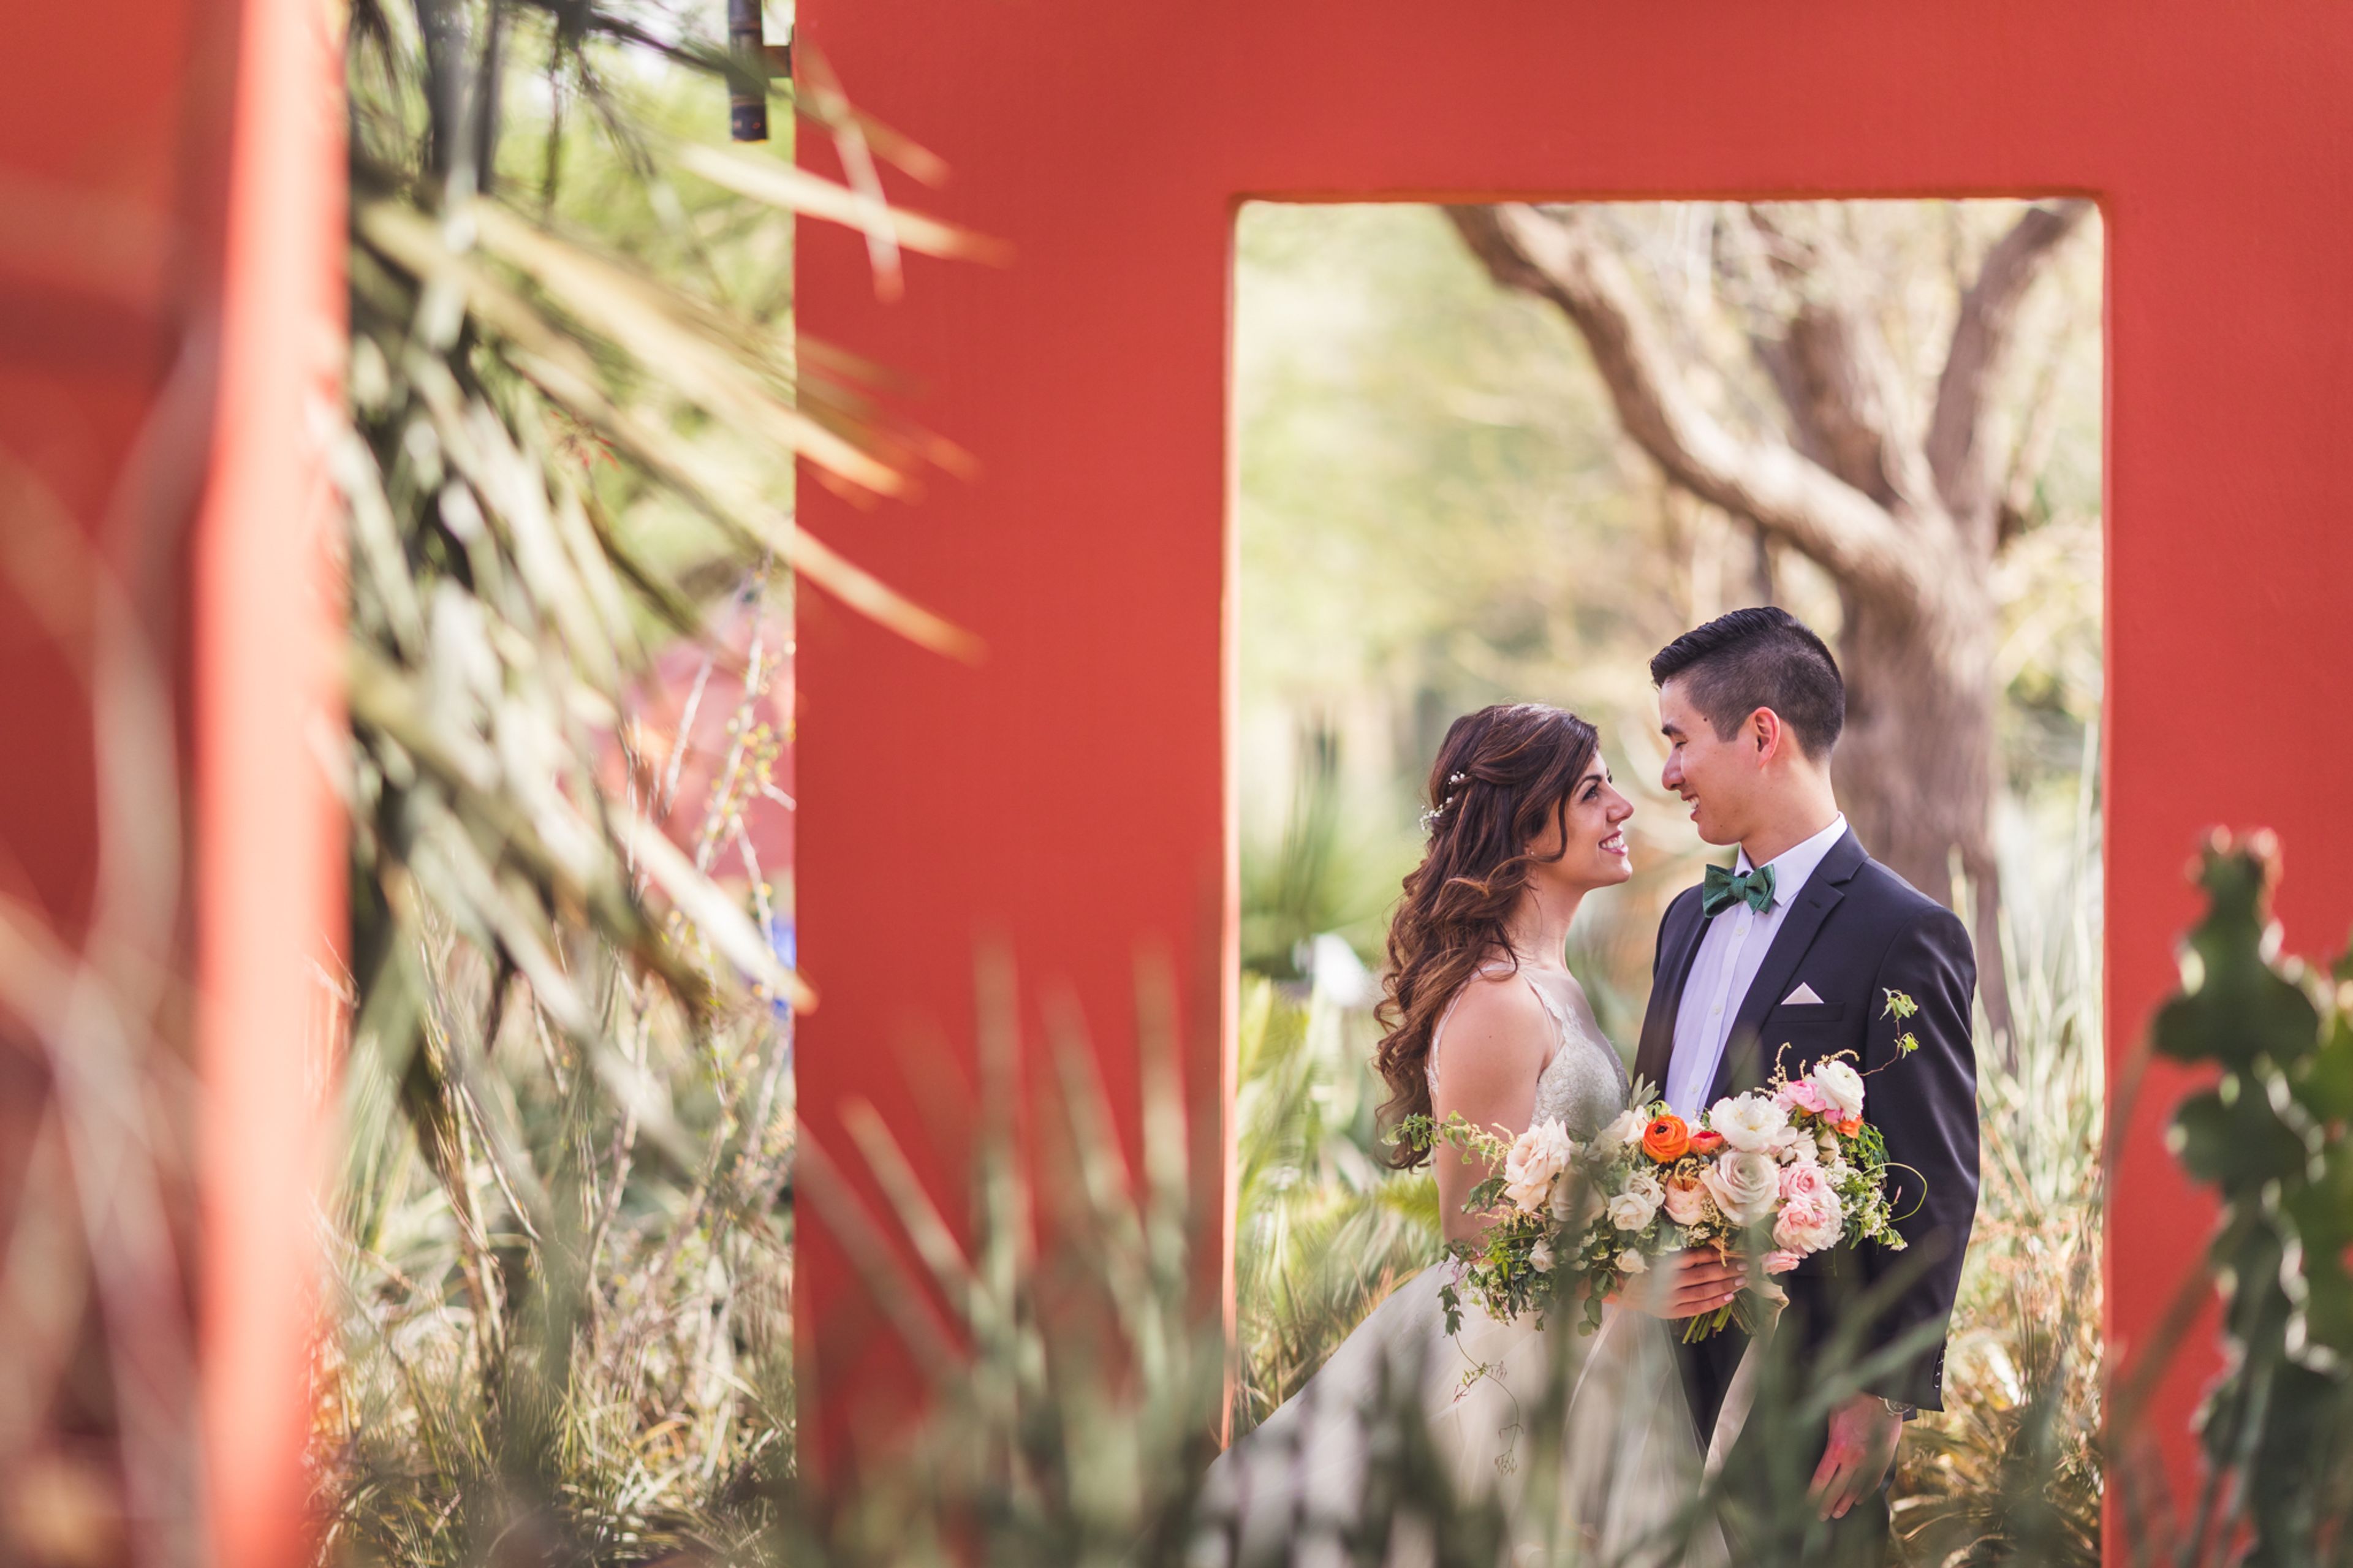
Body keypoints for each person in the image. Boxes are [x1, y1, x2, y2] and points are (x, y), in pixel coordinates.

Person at [1195, 703, 1738, 1567]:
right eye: (1594, 792)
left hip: (1587, 1350)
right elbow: (1474, 1226)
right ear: (1526, 828)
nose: (1624, 808)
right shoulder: (1494, 998)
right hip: (1504, 1370)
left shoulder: (1551, 982)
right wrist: (1631, 1281)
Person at [1633, 607, 1980, 1566]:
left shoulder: (1904, 932)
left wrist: (1881, 1393)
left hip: (1803, 1391)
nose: (1664, 773)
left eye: (1678, 740)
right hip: (1653, 1376)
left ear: (1760, 734)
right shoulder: (1681, 923)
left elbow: (1935, 1179)